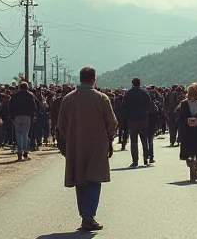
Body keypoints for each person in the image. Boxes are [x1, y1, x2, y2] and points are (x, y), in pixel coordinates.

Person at [57, 67, 118, 232]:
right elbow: (112, 123)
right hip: (97, 145)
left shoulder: (68, 99)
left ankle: (85, 215)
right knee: (94, 179)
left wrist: (71, 138)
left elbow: (61, 125)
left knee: (80, 180)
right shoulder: (102, 98)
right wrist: (109, 138)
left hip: (75, 145)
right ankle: (88, 216)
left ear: (81, 78)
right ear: (94, 79)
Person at [176, 83, 197, 182]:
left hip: (187, 131)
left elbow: (179, 116)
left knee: (188, 150)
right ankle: (194, 168)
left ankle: (191, 166)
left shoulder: (183, 103)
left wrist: (187, 121)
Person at [122, 78, 153, 168]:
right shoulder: (144, 93)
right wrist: (145, 113)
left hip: (132, 120)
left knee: (134, 141)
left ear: (132, 83)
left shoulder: (128, 93)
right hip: (143, 119)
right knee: (144, 140)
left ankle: (135, 160)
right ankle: (146, 159)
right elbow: (149, 105)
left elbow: (124, 106)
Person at [9, 81, 38, 161]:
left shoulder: (14, 96)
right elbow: (34, 107)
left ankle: (19, 153)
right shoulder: (30, 95)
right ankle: (25, 153)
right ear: (27, 87)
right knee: (25, 134)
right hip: (27, 117)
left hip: (17, 117)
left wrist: (11, 117)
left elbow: (10, 106)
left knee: (18, 135)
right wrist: (33, 117)